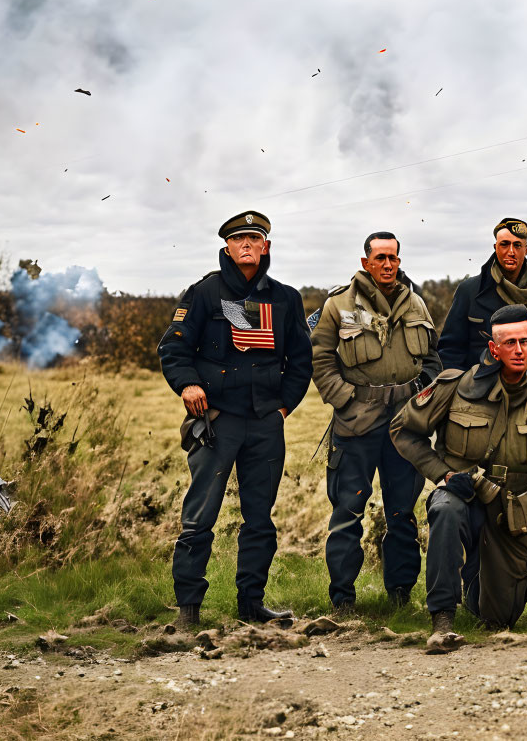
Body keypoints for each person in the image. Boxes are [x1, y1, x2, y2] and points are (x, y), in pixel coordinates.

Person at [158, 210, 313, 628]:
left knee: (260, 519)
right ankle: (189, 610)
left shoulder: (285, 299)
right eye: (239, 238)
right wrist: (188, 384)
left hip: (265, 422)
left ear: (266, 246)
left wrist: (283, 408)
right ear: (227, 247)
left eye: (255, 238)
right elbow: (173, 349)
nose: (247, 244)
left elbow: (301, 361)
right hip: (217, 420)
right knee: (200, 516)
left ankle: (251, 606)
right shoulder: (204, 293)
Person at [391, 304, 527, 652]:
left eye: (525, 342)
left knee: (498, 618)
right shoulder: (456, 387)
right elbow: (402, 429)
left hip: (512, 512)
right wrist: (442, 475)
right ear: (494, 349)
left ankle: (477, 582)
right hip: (463, 493)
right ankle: (442, 619)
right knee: (445, 511)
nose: (519, 351)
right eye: (510, 344)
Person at [310, 231, 442, 614]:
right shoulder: (339, 305)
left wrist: (424, 397)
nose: (387, 264)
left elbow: (433, 357)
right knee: (347, 512)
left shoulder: (415, 303)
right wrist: (345, 400)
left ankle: (400, 598)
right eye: (380, 257)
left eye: (393, 258)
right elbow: (320, 359)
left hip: (405, 425)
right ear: (366, 260)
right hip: (356, 425)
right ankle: (343, 601)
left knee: (402, 512)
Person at [437, 218, 527, 384]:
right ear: (495, 247)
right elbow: (450, 349)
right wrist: (462, 386)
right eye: (504, 244)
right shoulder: (470, 291)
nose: (511, 251)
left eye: (517, 245)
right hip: (480, 388)